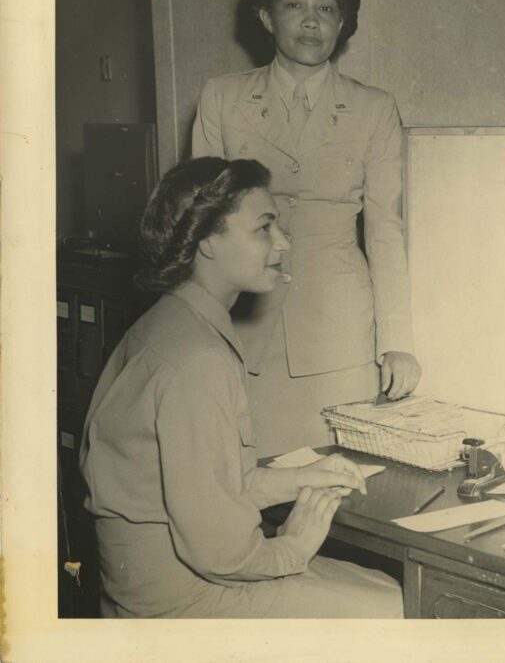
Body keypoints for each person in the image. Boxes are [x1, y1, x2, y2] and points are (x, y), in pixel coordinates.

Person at [79, 157, 404, 618]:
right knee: (396, 604)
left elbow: (205, 489)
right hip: (184, 603)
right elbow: (222, 554)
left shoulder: (167, 323)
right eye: (264, 228)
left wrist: (301, 479)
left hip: (150, 586)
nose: (283, 241)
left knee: (382, 588)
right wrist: (294, 547)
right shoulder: (200, 359)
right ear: (207, 240)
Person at [192, 0, 420, 458]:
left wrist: (397, 341)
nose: (312, 22)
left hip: (339, 334)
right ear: (266, 17)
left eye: (327, 9)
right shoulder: (221, 98)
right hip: (246, 328)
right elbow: (200, 227)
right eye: (294, 5)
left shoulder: (374, 109)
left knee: (341, 478)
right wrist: (199, 329)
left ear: (343, 23)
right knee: (248, 474)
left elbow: (385, 229)